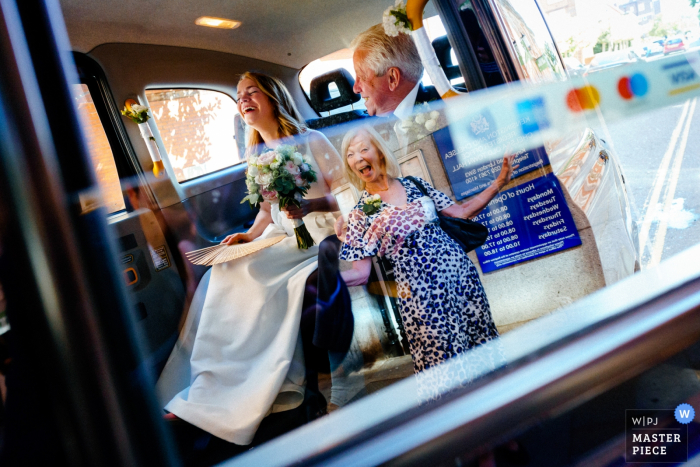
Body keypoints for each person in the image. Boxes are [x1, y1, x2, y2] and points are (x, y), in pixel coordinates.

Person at [156, 72, 347, 456]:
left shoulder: (312, 140)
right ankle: (212, 389)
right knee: (223, 268)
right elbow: (265, 212)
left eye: (250, 92)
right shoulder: (258, 155)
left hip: (319, 233)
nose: (243, 99)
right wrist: (248, 236)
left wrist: (309, 205)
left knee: (250, 272)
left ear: (272, 97)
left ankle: (254, 387)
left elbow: (344, 193)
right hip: (280, 233)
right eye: (239, 96)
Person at [336, 126, 515, 373]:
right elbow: (361, 274)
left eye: (363, 149)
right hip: (422, 297)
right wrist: (321, 281)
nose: (358, 158)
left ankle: (497, 405)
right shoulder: (359, 214)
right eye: (350, 154)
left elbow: (463, 212)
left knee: (482, 344)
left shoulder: (415, 184)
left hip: (461, 280)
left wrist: (500, 181)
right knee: (446, 362)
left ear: (379, 152)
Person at [351, 24, 438, 119]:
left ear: (392, 78)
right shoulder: (366, 128)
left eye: (362, 76)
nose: (355, 88)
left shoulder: (448, 107)